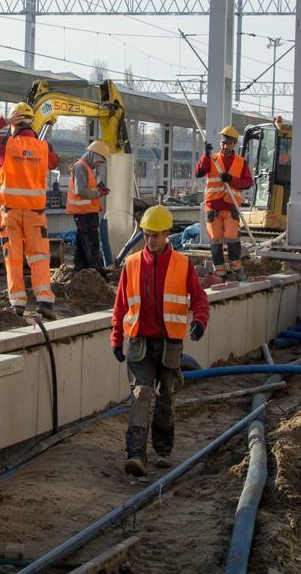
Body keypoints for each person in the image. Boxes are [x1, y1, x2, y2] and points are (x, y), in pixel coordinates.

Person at [110, 205, 210, 477]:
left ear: (167, 234)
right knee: (142, 393)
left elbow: (200, 299)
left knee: (166, 396)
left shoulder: (182, 264)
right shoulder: (131, 265)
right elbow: (120, 306)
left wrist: (200, 320)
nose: (150, 241)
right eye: (146, 235)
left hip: (169, 343)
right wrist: (116, 338)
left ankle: (163, 451)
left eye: (155, 235)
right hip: (139, 342)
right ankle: (136, 455)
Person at [0, 102, 60, 318]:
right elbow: (55, 162)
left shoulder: (6, 145)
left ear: (14, 124)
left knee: (13, 258)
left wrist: (3, 121)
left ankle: (17, 303)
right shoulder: (44, 147)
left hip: (10, 212)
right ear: (31, 123)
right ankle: (44, 300)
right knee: (39, 256)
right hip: (35, 213)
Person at [193, 126, 253, 278]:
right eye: (223, 143)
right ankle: (220, 271)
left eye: (229, 143)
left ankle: (236, 268)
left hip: (230, 206)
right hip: (213, 206)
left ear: (234, 144)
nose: (225, 146)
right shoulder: (212, 159)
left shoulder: (241, 162)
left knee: (233, 237)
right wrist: (205, 155)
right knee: (215, 240)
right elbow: (199, 172)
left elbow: (247, 183)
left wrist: (231, 180)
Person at [66, 140, 110, 272]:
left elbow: (84, 189)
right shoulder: (81, 167)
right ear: (95, 156)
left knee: (82, 242)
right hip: (84, 213)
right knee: (92, 243)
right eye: (100, 162)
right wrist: (98, 193)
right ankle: (98, 271)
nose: (99, 165)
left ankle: (80, 269)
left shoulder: (85, 167)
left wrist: (97, 190)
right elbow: (81, 191)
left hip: (84, 212)